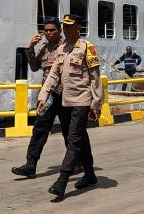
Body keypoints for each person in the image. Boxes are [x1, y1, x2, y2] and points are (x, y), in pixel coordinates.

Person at [38, 14, 103, 199]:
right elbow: (53, 74)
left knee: (74, 139)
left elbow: (95, 78)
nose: (66, 30)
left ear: (78, 28)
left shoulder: (87, 48)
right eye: (64, 27)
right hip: (67, 101)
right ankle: (90, 175)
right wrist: (44, 94)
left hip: (82, 101)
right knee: (81, 138)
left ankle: (62, 180)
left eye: (69, 26)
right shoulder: (62, 49)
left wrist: (96, 104)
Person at [10, 17, 76, 179]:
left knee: (69, 131)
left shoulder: (67, 47)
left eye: (52, 30)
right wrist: (31, 47)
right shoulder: (44, 49)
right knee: (39, 129)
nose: (48, 33)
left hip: (65, 94)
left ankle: (77, 163)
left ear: (59, 31)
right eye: (46, 30)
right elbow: (34, 67)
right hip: (48, 96)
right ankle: (30, 165)